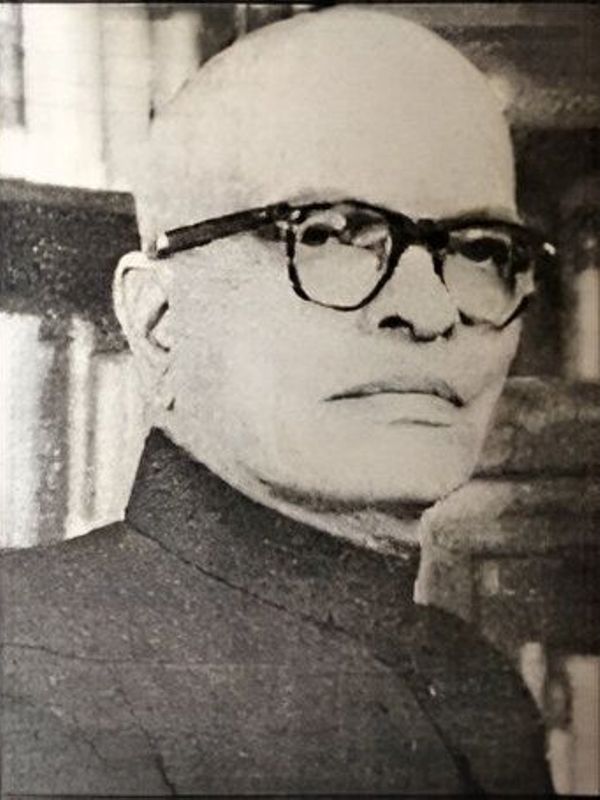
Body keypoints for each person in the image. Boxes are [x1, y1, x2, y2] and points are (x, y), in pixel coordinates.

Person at [1, 7, 553, 795]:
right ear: (159, 320)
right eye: (329, 234)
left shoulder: (479, 686)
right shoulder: (28, 668)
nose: (431, 311)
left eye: (480, 250)